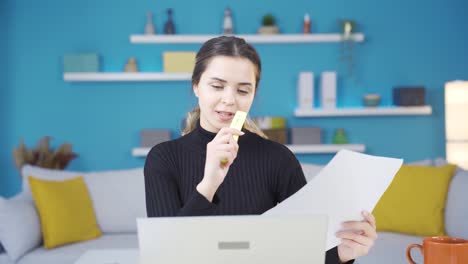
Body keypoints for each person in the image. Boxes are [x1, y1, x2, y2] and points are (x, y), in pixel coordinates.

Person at [144, 36, 377, 264]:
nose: (229, 100)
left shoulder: (278, 158)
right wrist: (209, 185)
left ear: (254, 94)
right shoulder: (163, 158)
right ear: (196, 86)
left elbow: (306, 249)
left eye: (243, 91)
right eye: (217, 86)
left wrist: (343, 254)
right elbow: (164, 254)